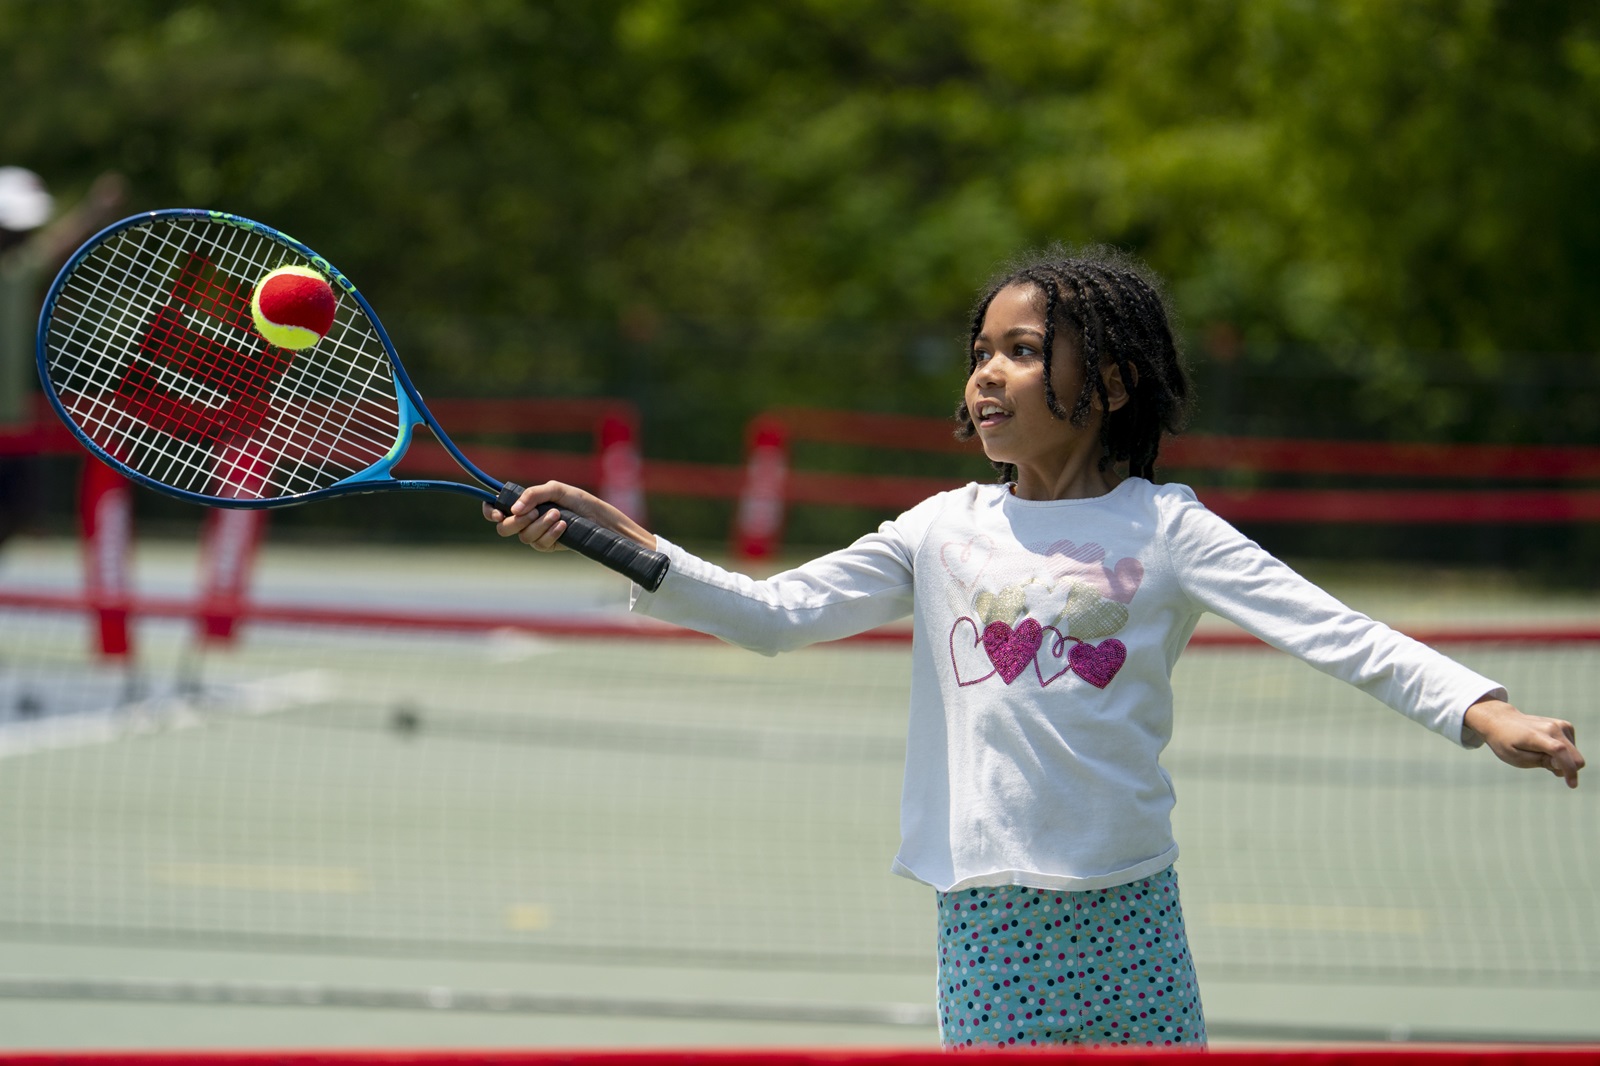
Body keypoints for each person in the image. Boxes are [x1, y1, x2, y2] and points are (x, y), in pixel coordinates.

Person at [485, 247, 1585, 1050]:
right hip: (989, 911)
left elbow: (1337, 632)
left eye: (1021, 352)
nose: (986, 375)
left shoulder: (1171, 527)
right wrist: (623, 541)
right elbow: (773, 616)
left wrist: (1482, 711)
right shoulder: (938, 527)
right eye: (980, 353)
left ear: (1104, 385)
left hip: (1130, 904)